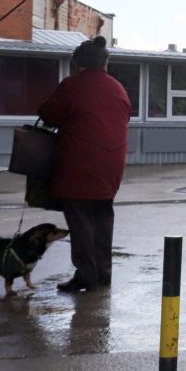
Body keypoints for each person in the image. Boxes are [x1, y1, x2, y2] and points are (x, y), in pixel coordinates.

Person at [38, 36, 130, 293]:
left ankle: (86, 275)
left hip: (79, 166)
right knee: (103, 220)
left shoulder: (73, 86)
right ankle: (103, 274)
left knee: (80, 222)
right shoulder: (118, 88)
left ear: (78, 63)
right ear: (104, 64)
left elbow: (48, 113)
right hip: (111, 167)